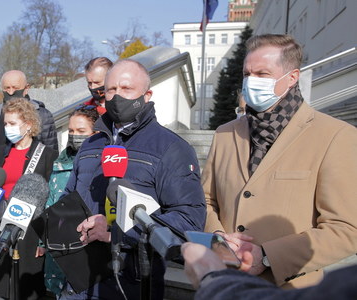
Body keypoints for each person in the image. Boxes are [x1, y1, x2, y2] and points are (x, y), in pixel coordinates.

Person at [202, 34, 357, 288]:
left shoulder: (335, 136)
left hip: (289, 289)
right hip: (226, 282)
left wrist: (267, 256)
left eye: (262, 74)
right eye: (247, 74)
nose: (251, 81)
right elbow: (205, 199)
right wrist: (217, 237)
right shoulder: (225, 134)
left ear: (292, 77)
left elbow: (346, 228)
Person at [63, 59, 206, 299]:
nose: (117, 96)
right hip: (78, 280)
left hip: (131, 283)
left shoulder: (171, 148)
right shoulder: (89, 145)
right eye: (111, 90)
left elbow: (189, 219)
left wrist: (115, 233)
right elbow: (69, 198)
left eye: (127, 89)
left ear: (147, 95)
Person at [0, 98, 58, 300]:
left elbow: (51, 198)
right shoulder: (0, 153)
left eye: (12, 124)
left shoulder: (46, 155)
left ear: (29, 125)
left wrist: (45, 239)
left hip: (30, 230)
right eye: (5, 123)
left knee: (27, 286)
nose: (7, 128)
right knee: (3, 284)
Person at [44, 105, 99, 298]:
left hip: (85, 252)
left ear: (96, 132)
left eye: (81, 131)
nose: (75, 135)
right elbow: (51, 201)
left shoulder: (101, 165)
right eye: (71, 131)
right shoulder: (60, 162)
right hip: (58, 250)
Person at [181, 242, 357, 300]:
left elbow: (346, 227)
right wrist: (219, 240)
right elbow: (207, 198)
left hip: (289, 285)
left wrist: (215, 278)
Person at [0, 70, 58, 176]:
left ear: (26, 88)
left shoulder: (42, 114)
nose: (10, 92)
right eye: (7, 88)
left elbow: (51, 154)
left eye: (15, 88)